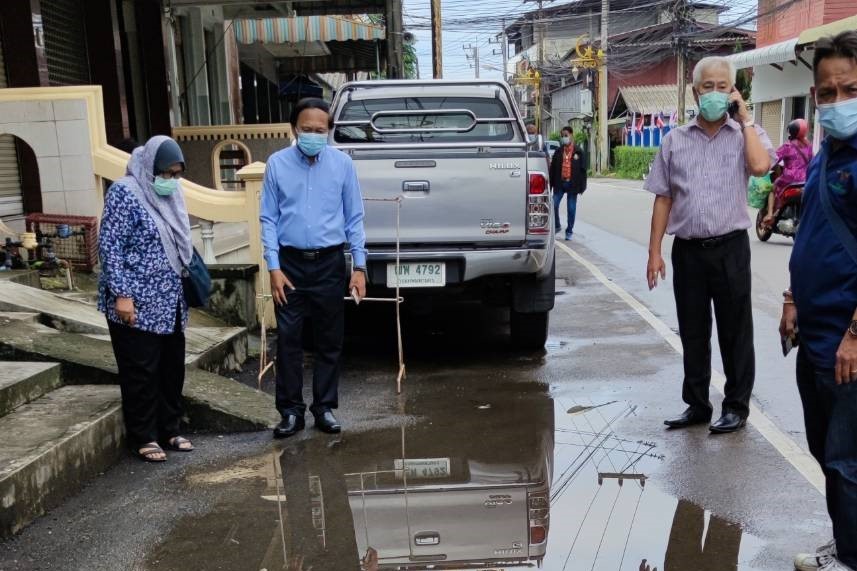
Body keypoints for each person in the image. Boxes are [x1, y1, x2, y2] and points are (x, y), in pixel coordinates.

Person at [645, 56, 775, 434]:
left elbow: (761, 166)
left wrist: (745, 120)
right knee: (693, 331)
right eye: (708, 87)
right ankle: (697, 405)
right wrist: (654, 252)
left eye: (723, 87)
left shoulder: (745, 134)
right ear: (694, 92)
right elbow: (664, 198)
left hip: (730, 248)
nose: (715, 93)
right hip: (688, 251)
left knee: (736, 331)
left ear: (733, 92)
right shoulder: (675, 140)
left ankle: (736, 406)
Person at [782, 30, 857, 571]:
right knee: (826, 452)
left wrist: (855, 334)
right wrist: (792, 299)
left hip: (846, 339)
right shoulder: (822, 155)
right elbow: (809, 232)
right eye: (827, 93)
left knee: (848, 459)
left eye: (850, 90)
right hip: (814, 332)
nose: (837, 102)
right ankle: (846, 545)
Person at [260, 97, 367, 439]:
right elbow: (268, 218)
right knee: (288, 340)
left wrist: (360, 266)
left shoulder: (343, 165)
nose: (313, 135)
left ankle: (324, 407)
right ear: (294, 129)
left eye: (320, 130)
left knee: (329, 339)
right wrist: (273, 266)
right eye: (307, 129)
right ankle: (290, 412)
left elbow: (354, 218)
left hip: (330, 263)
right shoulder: (277, 165)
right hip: (289, 265)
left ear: (329, 131)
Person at [98, 136, 194, 462]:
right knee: (140, 371)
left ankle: (170, 429)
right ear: (150, 167)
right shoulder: (124, 192)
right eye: (165, 173)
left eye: (176, 174)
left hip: (170, 300)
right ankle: (143, 436)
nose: (171, 180)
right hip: (136, 300)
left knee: (171, 368)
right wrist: (122, 295)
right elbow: (111, 247)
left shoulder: (172, 194)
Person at [763, 118, 813, 229]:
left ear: (791, 131)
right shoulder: (809, 146)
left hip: (789, 179)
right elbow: (812, 162)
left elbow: (773, 159)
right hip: (805, 180)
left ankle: (770, 214)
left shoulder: (787, 146)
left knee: (773, 188)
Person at [549, 126, 587, 240]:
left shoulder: (579, 152)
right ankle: (557, 225)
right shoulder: (558, 151)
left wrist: (582, 186)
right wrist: (550, 185)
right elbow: (552, 169)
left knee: (571, 209)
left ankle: (569, 231)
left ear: (571, 135)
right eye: (562, 136)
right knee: (553, 204)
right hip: (560, 183)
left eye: (566, 135)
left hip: (572, 184)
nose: (564, 138)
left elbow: (583, 170)